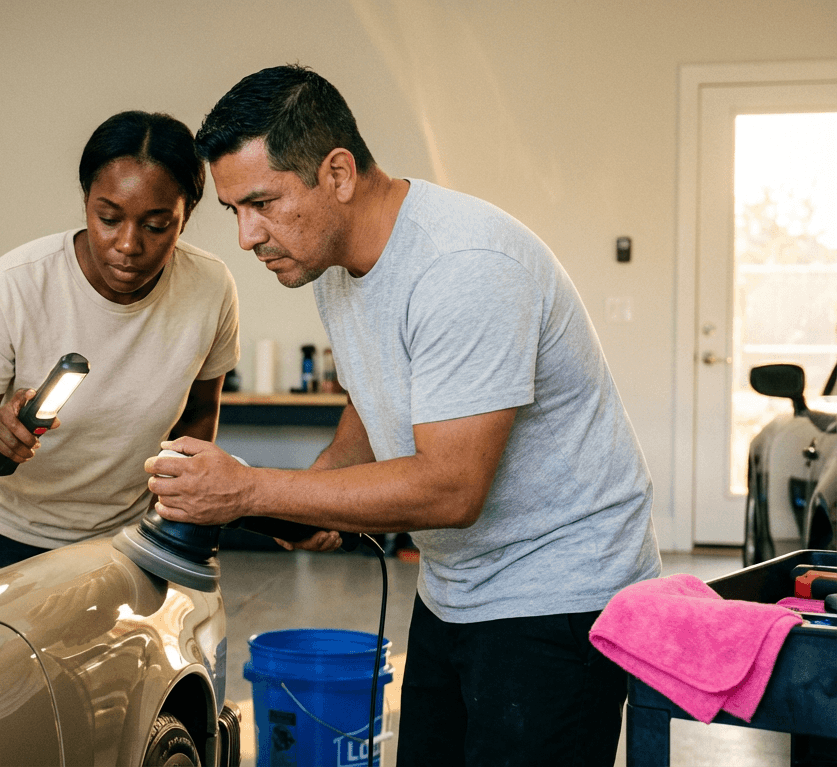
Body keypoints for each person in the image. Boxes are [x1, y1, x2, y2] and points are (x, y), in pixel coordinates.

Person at [147, 65, 660, 766]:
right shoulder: (335, 271)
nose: (246, 236)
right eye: (234, 211)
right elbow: (368, 425)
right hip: (458, 586)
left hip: (558, 593)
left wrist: (251, 488)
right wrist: (307, 506)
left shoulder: (463, 266)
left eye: (262, 203)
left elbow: (452, 488)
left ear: (337, 172)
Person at [0, 110, 240, 568]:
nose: (128, 245)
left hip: (128, 539)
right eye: (108, 217)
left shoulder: (210, 288)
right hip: (3, 535)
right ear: (86, 201)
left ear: (186, 216)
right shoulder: (14, 285)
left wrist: (167, 513)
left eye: (156, 226)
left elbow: (198, 414)